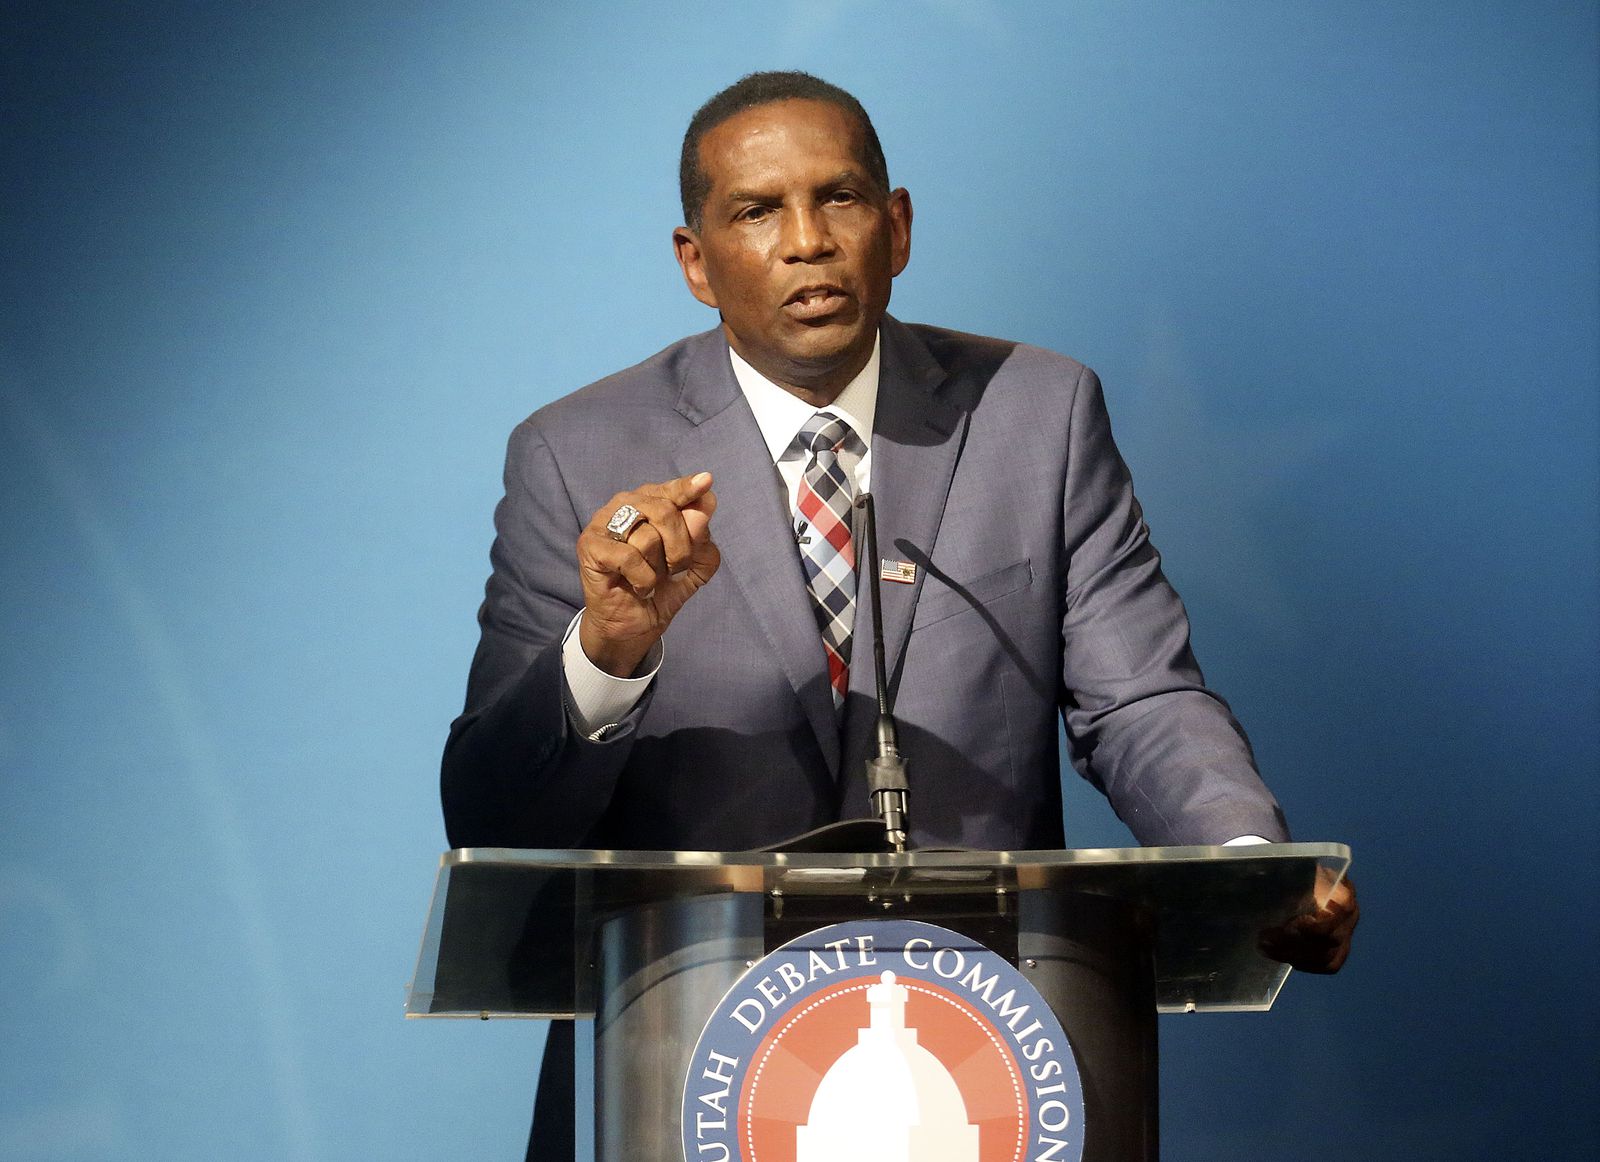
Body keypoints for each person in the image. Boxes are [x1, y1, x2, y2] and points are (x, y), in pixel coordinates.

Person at [441, 70, 1357, 1155]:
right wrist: (608, 654)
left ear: (899, 225)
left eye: (840, 199)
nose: (807, 241)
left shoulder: (1038, 413)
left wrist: (1241, 856)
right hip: (684, 1078)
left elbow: (1141, 697)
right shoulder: (575, 454)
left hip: (985, 1064)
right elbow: (493, 818)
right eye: (755, 211)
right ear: (695, 263)